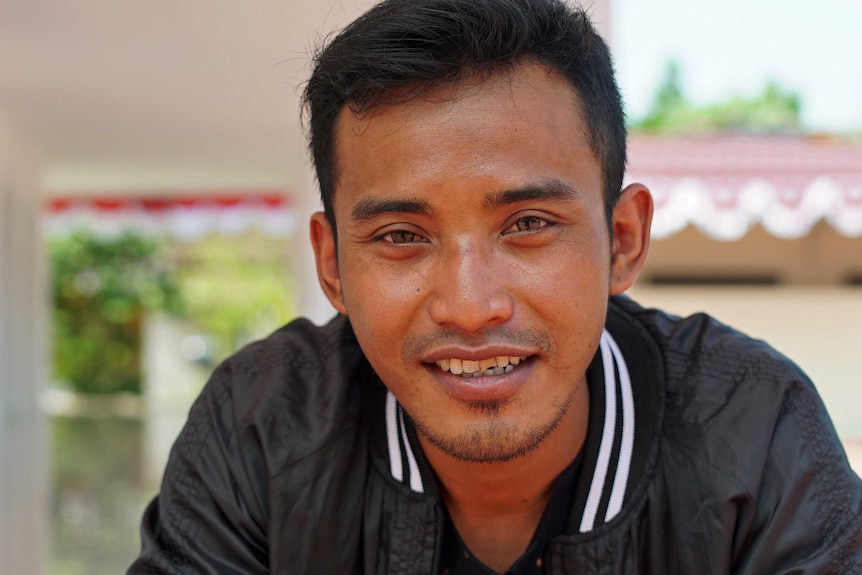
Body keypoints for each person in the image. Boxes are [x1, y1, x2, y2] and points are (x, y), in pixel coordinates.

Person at [129, 0, 862, 572]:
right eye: (400, 237)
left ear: (624, 241)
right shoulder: (260, 430)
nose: (471, 305)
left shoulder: (755, 431)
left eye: (528, 223)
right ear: (332, 267)